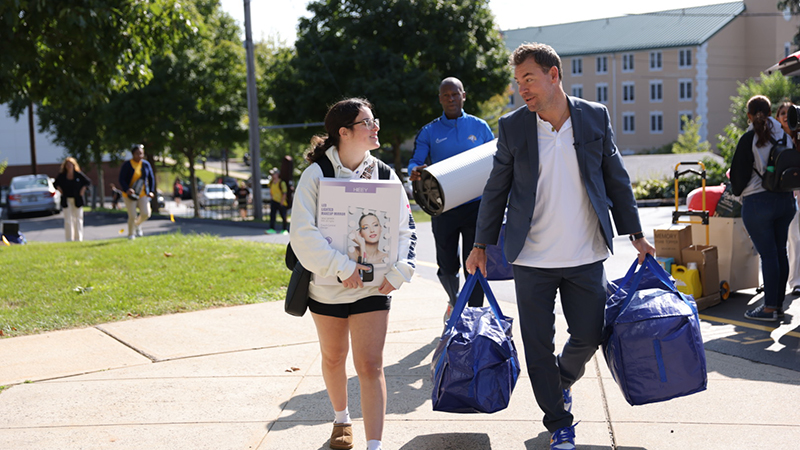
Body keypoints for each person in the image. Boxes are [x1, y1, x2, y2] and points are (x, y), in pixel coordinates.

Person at [465, 43, 655, 450]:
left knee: (589, 335)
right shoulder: (514, 126)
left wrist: (636, 234)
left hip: (585, 253)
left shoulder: (593, 117)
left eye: (529, 79)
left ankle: (560, 381)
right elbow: (495, 188)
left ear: (554, 75)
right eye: (518, 82)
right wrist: (481, 243)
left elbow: (616, 178)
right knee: (537, 345)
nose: (523, 90)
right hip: (532, 257)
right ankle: (559, 422)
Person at [290, 98, 415, 450]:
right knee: (333, 358)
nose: (376, 127)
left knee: (371, 365)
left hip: (374, 288)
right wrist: (343, 268)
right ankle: (341, 420)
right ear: (343, 133)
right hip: (328, 288)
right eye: (367, 122)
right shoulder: (316, 175)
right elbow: (302, 234)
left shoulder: (385, 173)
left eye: (375, 120)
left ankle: (374, 444)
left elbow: (406, 229)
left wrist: (401, 270)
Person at [407, 76, 495, 322]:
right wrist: (414, 169)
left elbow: (496, 160)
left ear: (463, 95)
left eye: (455, 94)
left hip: (476, 207)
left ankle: (474, 316)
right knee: (447, 265)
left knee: (476, 263)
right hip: (443, 207)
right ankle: (454, 302)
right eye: (446, 95)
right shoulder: (429, 131)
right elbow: (416, 161)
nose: (451, 99)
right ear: (440, 99)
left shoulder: (479, 127)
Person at [731, 95, 796, 321]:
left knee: (768, 255)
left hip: (758, 203)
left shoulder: (749, 138)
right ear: (771, 113)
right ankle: (777, 305)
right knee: (780, 252)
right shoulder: (786, 136)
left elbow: (738, 181)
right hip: (786, 200)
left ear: (749, 115)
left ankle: (769, 308)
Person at [776, 101, 800, 296]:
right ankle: (793, 281)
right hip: (783, 193)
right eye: (782, 113)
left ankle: (795, 280)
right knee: (791, 237)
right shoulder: (775, 139)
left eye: (789, 113)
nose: (786, 116)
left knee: (795, 237)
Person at [119, 144, 156, 240]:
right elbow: (121, 179)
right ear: (133, 154)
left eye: (141, 154)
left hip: (142, 193)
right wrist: (127, 189)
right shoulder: (127, 164)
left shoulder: (145, 164)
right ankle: (131, 234)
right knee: (132, 215)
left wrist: (151, 191)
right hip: (129, 195)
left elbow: (151, 178)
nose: (139, 156)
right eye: (137, 154)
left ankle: (137, 225)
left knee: (146, 213)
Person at [53, 156, 92, 242]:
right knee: (68, 219)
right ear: (65, 166)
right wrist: (59, 189)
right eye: (67, 164)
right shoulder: (62, 176)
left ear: (74, 165)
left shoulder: (78, 174)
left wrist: (83, 189)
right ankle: (69, 238)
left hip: (77, 199)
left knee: (78, 218)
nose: (69, 166)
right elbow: (55, 184)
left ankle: (78, 238)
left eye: (71, 164)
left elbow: (88, 182)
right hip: (66, 199)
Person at [266, 168, 288, 234]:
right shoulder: (271, 182)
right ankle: (272, 229)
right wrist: (271, 198)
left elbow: (284, 193)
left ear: (277, 174)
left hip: (281, 202)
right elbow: (271, 190)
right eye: (272, 174)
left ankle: (284, 229)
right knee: (272, 216)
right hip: (274, 201)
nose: (272, 175)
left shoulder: (281, 183)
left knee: (283, 216)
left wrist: (282, 201)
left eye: (274, 174)